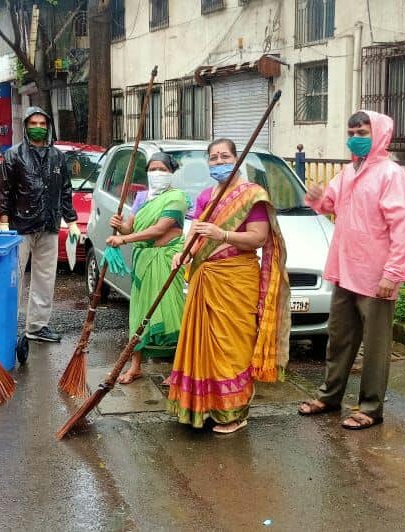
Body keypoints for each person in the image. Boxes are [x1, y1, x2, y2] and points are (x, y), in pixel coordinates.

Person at [298, 110, 405, 430]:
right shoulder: (348, 173)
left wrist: (393, 274)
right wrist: (317, 198)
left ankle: (370, 406)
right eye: (352, 132)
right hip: (345, 270)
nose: (356, 138)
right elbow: (329, 205)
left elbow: (403, 228)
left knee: (375, 346)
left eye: (363, 132)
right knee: (339, 339)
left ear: (378, 134)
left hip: (377, 275)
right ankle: (329, 395)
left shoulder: (392, 175)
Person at [166, 138, 291, 434]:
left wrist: (222, 235)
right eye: (213, 157)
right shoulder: (205, 197)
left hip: (236, 279)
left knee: (232, 347)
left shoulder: (251, 196)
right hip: (204, 278)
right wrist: (181, 255)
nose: (219, 162)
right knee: (202, 346)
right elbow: (195, 233)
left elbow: (258, 238)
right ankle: (202, 407)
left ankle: (234, 413)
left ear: (237, 160)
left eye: (224, 156)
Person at [0, 106, 80, 343]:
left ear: (49, 127)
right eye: (33, 124)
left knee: (45, 278)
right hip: (19, 226)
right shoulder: (13, 155)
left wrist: (71, 220)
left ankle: (37, 326)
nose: (38, 128)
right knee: (14, 278)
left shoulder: (57, 156)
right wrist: (3, 221)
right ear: (25, 126)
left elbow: (65, 189)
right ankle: (6, 325)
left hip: (49, 224)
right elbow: (4, 190)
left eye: (42, 124)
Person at [106, 152, 189, 384]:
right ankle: (135, 367)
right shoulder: (141, 197)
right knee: (139, 314)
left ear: (171, 173)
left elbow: (158, 230)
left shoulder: (177, 198)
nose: (157, 173)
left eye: (162, 169)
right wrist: (119, 226)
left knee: (172, 313)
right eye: (152, 169)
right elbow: (129, 228)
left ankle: (178, 370)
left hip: (167, 259)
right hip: (143, 261)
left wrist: (124, 239)